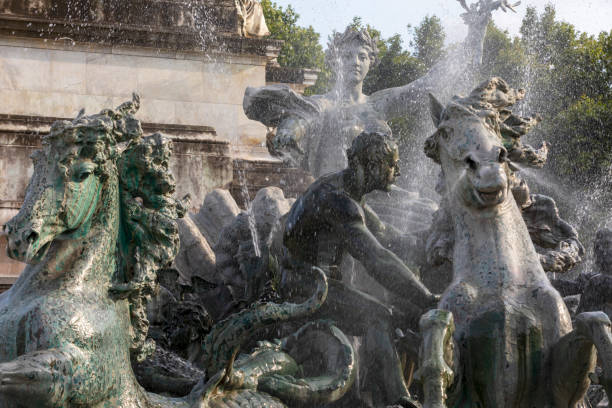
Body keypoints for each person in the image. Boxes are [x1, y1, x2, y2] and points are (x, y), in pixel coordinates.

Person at [244, 0, 518, 178]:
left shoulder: (379, 104)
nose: (355, 62)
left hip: (377, 201)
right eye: (347, 56)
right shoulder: (321, 105)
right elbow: (295, 127)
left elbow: (428, 85)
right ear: (335, 62)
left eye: (362, 56)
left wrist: (473, 37)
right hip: (332, 201)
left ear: (371, 62)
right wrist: (287, 135)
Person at [281, 131, 438, 407]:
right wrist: (426, 298)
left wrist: (436, 238)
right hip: (305, 288)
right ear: (372, 164)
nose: (398, 170)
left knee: (396, 314)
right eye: (392, 164)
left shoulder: (348, 193)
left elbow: (387, 237)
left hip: (319, 283)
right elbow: (377, 259)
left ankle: (371, 387)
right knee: (378, 316)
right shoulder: (338, 201)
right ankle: (397, 399)